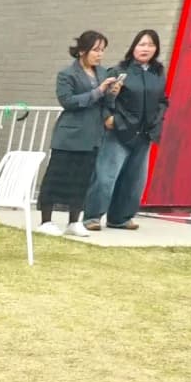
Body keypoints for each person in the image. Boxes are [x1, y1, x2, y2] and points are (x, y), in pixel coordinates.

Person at [39, 31, 120, 232]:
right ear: (82, 50)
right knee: (56, 178)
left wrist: (112, 94)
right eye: (96, 50)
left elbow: (105, 104)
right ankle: (46, 221)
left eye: (102, 50)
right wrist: (98, 91)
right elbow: (68, 101)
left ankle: (74, 221)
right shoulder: (67, 74)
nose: (100, 54)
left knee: (82, 180)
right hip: (69, 136)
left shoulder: (103, 73)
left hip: (92, 135)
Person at [93, 27, 166, 230]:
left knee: (134, 180)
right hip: (119, 131)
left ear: (156, 49)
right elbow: (104, 99)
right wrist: (109, 118)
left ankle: (120, 218)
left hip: (144, 134)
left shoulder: (158, 73)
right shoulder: (119, 70)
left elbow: (162, 100)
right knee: (106, 177)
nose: (146, 49)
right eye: (142, 44)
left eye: (151, 45)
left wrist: (157, 122)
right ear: (133, 47)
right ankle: (92, 216)